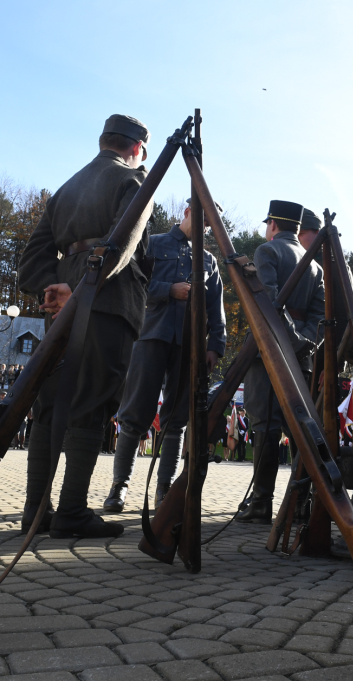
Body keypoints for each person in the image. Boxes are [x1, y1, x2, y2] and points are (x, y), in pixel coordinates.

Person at [17, 113, 153, 539]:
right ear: (136, 149)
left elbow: (30, 263)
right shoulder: (133, 182)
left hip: (62, 303)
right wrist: (77, 289)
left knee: (50, 405)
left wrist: (55, 287)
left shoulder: (67, 188)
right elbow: (121, 250)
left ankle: (35, 511)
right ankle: (72, 509)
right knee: (92, 404)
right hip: (107, 304)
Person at [104, 199, 226, 512]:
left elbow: (216, 308)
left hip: (190, 345)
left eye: (210, 224)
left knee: (177, 420)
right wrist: (168, 290)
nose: (205, 228)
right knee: (135, 414)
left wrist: (215, 346)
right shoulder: (152, 244)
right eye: (201, 219)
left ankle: (164, 491)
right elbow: (130, 283)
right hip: (150, 336)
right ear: (187, 213)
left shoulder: (209, 262)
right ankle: (120, 486)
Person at [236, 200, 325, 524]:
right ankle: (302, 502)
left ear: (273, 225)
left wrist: (288, 341)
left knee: (264, 426)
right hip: (301, 356)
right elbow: (318, 318)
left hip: (268, 350)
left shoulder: (267, 251)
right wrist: (302, 343)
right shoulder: (315, 266)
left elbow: (269, 301)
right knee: (301, 429)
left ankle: (262, 502)